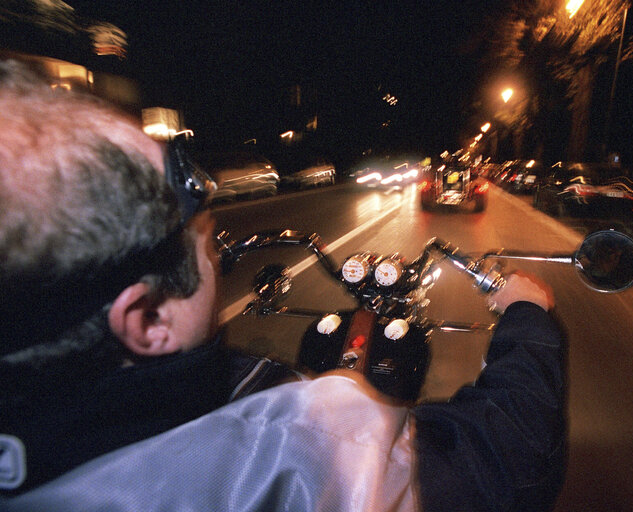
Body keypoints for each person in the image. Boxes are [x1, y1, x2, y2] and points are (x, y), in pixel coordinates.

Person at [0, 60, 565, 511]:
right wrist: (528, 319)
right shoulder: (286, 454)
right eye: (209, 243)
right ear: (149, 319)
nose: (222, 255)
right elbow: (508, 460)